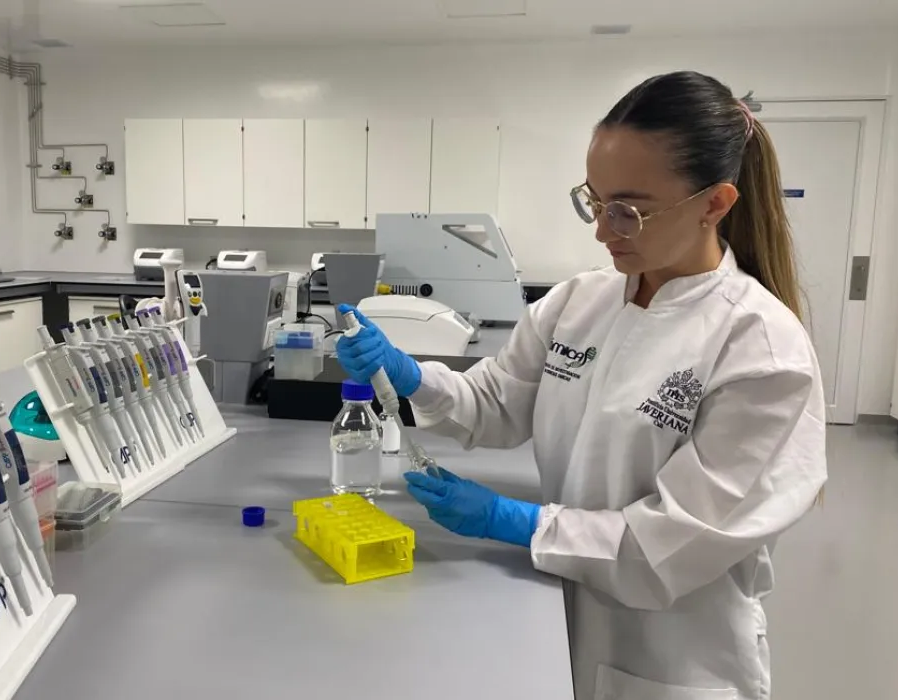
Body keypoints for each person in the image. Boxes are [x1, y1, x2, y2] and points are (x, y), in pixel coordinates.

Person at [337, 71, 827, 700]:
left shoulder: (761, 349)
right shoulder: (580, 301)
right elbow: (495, 403)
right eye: (594, 202)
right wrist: (406, 374)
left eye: (630, 211)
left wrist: (512, 521)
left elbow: (674, 543)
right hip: (551, 608)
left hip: (671, 653)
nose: (602, 231)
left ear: (715, 204)